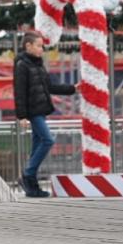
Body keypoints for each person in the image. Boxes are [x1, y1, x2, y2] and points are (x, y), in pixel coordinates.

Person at [13, 31, 76, 197]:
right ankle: (27, 174)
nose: (42, 49)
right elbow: (19, 92)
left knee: (37, 146)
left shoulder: (37, 64)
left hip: (40, 110)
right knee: (48, 140)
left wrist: (72, 88)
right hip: (33, 112)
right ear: (28, 46)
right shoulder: (22, 65)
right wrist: (22, 116)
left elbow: (49, 87)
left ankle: (31, 186)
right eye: (39, 46)